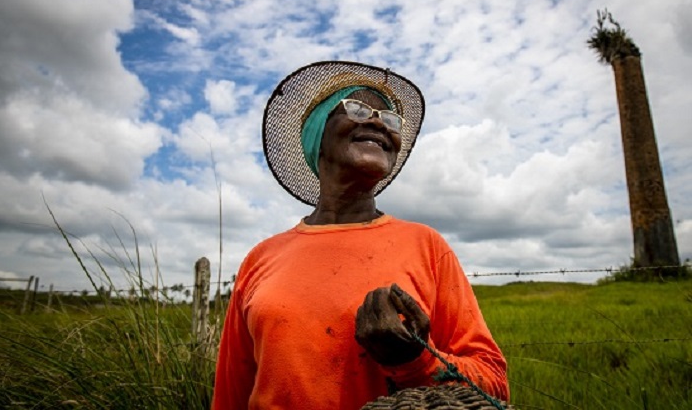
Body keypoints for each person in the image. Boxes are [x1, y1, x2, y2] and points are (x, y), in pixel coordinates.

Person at [212, 61, 509, 409]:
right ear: (318, 136)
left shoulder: (426, 245)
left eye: (390, 119)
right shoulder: (262, 258)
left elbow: (494, 384)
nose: (379, 122)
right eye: (358, 107)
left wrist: (414, 361)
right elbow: (230, 395)